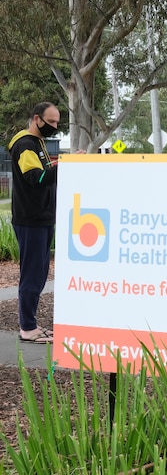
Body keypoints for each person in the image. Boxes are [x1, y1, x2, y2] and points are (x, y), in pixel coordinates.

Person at [8, 102, 61, 343]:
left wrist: (63, 163)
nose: (55, 126)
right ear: (36, 119)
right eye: (51, 122)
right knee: (31, 274)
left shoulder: (37, 144)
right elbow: (36, 178)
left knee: (39, 273)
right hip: (31, 220)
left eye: (57, 122)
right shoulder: (25, 144)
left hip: (42, 218)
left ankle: (31, 324)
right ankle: (27, 328)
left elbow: (45, 172)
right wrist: (66, 166)